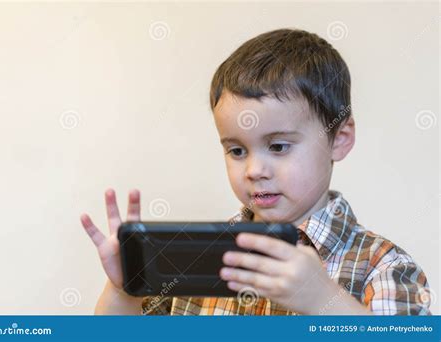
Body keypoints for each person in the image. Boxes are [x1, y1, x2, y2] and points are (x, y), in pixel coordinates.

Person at [80, 28, 431, 315]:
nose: (254, 170)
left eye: (278, 146)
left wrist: (325, 301)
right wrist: (123, 290)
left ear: (339, 138)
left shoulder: (385, 267)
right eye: (236, 150)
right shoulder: (194, 259)